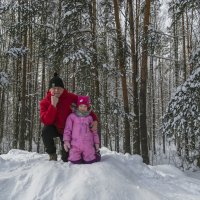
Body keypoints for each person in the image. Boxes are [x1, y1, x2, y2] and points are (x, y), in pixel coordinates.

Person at [40, 73, 98, 162]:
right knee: (45, 131)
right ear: (49, 90)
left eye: (59, 88)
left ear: (63, 89)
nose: (56, 90)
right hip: (54, 128)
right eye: (53, 88)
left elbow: (84, 107)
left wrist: (95, 120)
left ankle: (88, 152)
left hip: (69, 131)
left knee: (66, 159)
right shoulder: (44, 102)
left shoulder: (71, 97)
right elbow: (47, 121)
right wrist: (53, 105)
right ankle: (52, 154)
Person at [63, 95, 101, 164]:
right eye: (80, 106)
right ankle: (79, 157)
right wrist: (66, 141)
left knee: (90, 161)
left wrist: (96, 143)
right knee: (74, 161)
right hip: (75, 144)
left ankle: (96, 154)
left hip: (88, 145)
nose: (82, 108)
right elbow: (67, 130)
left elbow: (94, 132)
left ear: (87, 107)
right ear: (77, 106)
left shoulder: (90, 118)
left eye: (84, 106)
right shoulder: (72, 117)